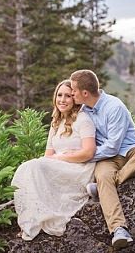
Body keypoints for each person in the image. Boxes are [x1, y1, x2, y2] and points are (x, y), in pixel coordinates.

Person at [70, 68, 135, 249]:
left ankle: (110, 184)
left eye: (74, 91)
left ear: (85, 93)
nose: (72, 94)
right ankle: (119, 229)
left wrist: (85, 157)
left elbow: (113, 146)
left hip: (129, 152)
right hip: (108, 160)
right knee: (103, 176)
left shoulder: (114, 106)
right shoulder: (84, 111)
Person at [11, 80, 97, 241]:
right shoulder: (56, 122)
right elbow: (48, 155)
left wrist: (61, 157)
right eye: (59, 95)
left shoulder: (83, 119)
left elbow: (89, 152)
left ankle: (35, 222)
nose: (62, 100)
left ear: (75, 99)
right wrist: (56, 158)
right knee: (28, 168)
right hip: (60, 166)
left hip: (79, 168)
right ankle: (30, 221)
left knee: (33, 166)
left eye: (68, 96)